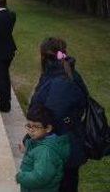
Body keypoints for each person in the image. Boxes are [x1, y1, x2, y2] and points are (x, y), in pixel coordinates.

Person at [28, 38, 88, 192]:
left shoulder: (60, 80)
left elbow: (50, 118)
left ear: (43, 56)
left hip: (60, 150)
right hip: (65, 147)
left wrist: (29, 140)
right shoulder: (62, 74)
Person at [16, 104, 70, 192]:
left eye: (36, 126)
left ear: (48, 128)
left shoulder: (46, 152)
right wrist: (27, 150)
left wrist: (20, 177)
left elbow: (40, 177)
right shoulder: (38, 142)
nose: (31, 130)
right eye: (29, 126)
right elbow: (36, 156)